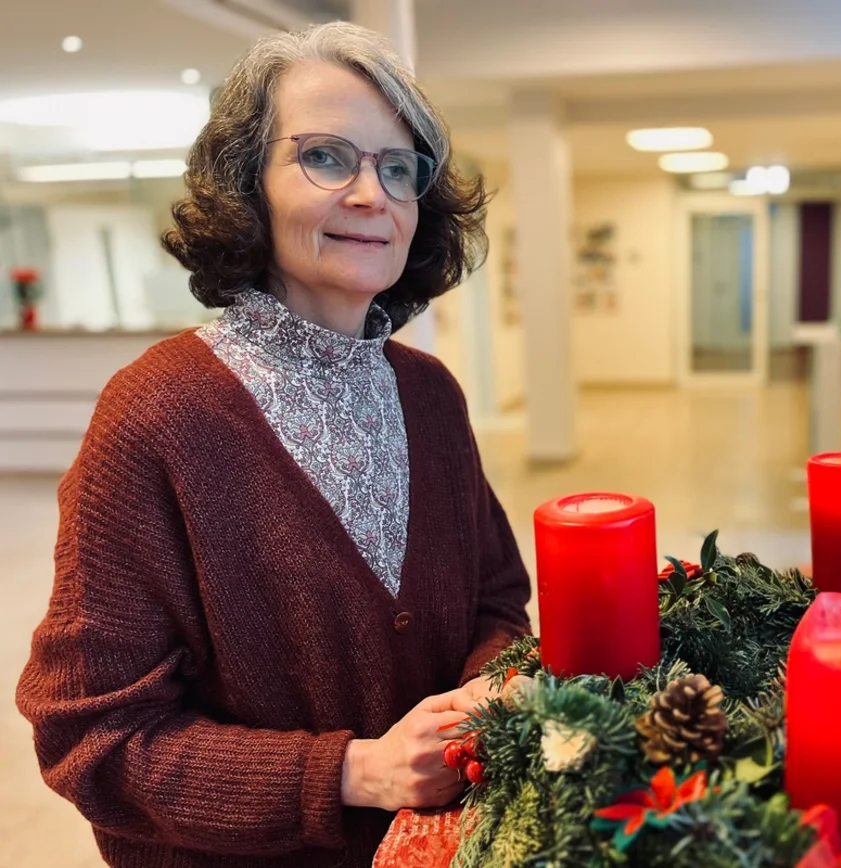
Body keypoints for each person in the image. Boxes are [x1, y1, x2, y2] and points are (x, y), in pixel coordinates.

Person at [15, 21, 532, 868]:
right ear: (244, 185)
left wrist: (485, 688)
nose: (373, 195)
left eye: (398, 168)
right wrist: (355, 774)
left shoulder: (430, 396)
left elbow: (497, 605)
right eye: (327, 157)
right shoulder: (156, 415)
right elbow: (93, 737)